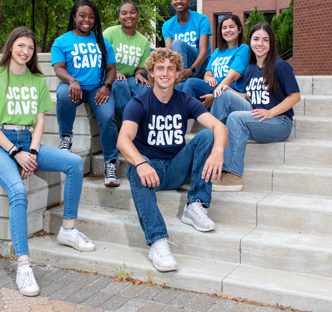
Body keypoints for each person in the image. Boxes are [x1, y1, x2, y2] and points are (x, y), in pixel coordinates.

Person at [0, 27, 95, 297]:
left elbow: (40, 120)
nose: (25, 52)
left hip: (28, 141)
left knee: (74, 163)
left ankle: (68, 229)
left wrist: (30, 151)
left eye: (30, 48)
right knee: (18, 191)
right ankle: (24, 266)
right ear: (10, 46)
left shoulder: (37, 81)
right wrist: (14, 153)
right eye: (21, 45)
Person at [117, 48, 228, 272]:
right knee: (133, 167)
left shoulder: (185, 100)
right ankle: (158, 242)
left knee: (208, 135)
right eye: (160, 68)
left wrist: (218, 151)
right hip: (150, 169)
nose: (165, 73)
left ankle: (195, 204)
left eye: (171, 68)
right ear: (151, 72)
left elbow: (219, 126)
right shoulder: (139, 102)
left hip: (177, 166)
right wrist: (141, 163)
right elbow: (123, 141)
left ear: (178, 73)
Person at [210, 23, 301, 191]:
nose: (260, 43)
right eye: (256, 39)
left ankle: (232, 175)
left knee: (236, 118)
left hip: (279, 122)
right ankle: (207, 156)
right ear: (250, 42)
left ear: (271, 43)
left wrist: (271, 111)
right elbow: (247, 96)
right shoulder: (251, 69)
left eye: (265, 40)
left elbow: (295, 96)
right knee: (223, 92)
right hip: (257, 116)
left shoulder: (281, 66)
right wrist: (230, 90)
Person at [51, 0, 120, 187]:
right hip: (74, 88)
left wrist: (106, 85)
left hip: (97, 89)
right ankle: (66, 138)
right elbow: (58, 69)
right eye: (82, 15)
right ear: (74, 17)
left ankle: (110, 164)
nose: (87, 20)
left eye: (91, 16)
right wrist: (72, 81)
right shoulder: (61, 41)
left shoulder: (102, 41)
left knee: (107, 118)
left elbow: (112, 69)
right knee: (63, 95)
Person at [180, 14, 249, 109]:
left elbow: (232, 77)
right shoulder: (218, 51)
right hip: (214, 89)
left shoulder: (243, 49)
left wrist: (214, 95)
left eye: (231, 27)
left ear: (240, 30)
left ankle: (181, 118)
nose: (228, 30)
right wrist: (209, 78)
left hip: (229, 93)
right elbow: (207, 74)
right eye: (224, 28)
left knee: (191, 83)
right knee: (179, 87)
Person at [103, 1, 152, 121]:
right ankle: (127, 128)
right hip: (108, 74)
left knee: (145, 89)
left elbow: (141, 67)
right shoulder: (110, 33)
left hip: (130, 76)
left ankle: (146, 128)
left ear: (137, 16)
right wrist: (113, 71)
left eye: (132, 12)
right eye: (124, 13)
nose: (128, 16)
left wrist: (140, 73)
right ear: (119, 17)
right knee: (120, 85)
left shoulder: (143, 41)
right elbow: (99, 57)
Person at [162, 0, 212, 83]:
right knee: (152, 52)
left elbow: (204, 51)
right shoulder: (167, 25)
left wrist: (190, 70)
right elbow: (169, 50)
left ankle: (178, 82)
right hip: (180, 65)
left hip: (200, 66)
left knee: (178, 44)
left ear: (189, 1)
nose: (179, 1)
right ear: (172, 2)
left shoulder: (202, 20)